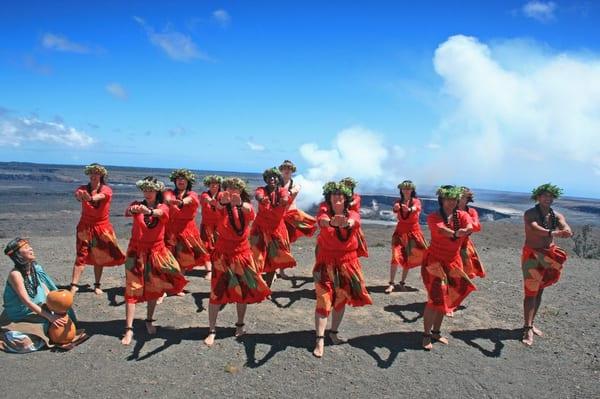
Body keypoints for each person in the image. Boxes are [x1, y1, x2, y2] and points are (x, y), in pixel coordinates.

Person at [203, 177, 271, 347]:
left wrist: (239, 204)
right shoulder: (221, 204)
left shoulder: (246, 207)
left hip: (242, 254)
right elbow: (216, 206)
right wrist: (222, 203)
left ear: (240, 191)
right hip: (221, 256)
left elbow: (249, 211)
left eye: (236, 188)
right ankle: (212, 330)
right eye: (229, 188)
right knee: (216, 292)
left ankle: (240, 325)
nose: (232, 190)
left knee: (242, 292)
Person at [121, 177, 187, 345]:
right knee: (132, 288)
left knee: (153, 288)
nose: (148, 193)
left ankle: (149, 320)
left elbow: (161, 214)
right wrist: (133, 209)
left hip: (156, 253)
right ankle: (128, 329)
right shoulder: (137, 203)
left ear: (157, 191)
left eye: (151, 190)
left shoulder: (163, 207)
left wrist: (148, 211)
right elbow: (128, 212)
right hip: (135, 252)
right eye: (145, 190)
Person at [312, 181, 372, 358]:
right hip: (326, 262)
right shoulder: (323, 212)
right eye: (334, 195)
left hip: (347, 263)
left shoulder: (353, 213)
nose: (337, 198)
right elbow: (322, 221)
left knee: (340, 299)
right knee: (323, 300)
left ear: (346, 199)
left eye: (341, 195)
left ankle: (334, 332)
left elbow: (354, 221)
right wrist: (331, 222)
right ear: (328, 198)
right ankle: (319, 339)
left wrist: (346, 223)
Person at [1, 238, 86, 352]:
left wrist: (56, 310)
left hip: (39, 310)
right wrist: (50, 317)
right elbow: (27, 302)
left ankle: (51, 336)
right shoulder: (15, 275)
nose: (31, 248)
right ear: (18, 255)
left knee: (61, 324)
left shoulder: (35, 268)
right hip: (20, 315)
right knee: (24, 342)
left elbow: (47, 291)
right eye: (26, 248)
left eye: (29, 246)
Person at [421, 185, 476, 350]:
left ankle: (436, 332)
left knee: (448, 297)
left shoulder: (463, 215)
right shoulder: (433, 216)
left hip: (453, 261)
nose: (451, 202)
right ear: (441, 200)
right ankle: (426, 335)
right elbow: (441, 230)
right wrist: (456, 233)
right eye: (447, 199)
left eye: (454, 199)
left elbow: (471, 226)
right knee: (434, 298)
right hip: (434, 263)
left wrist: (466, 230)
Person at [521, 183, 572, 346]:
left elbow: (564, 225)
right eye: (544, 196)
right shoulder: (530, 213)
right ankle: (527, 328)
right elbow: (535, 228)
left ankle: (531, 322)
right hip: (532, 255)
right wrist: (553, 233)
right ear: (538, 197)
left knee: (540, 290)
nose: (548, 199)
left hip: (548, 255)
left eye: (550, 196)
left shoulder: (556, 215)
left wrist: (566, 230)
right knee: (531, 292)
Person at [70, 163, 126, 295]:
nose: (94, 176)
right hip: (85, 226)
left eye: (96, 173)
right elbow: (78, 195)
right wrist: (80, 195)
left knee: (99, 256)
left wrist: (90, 198)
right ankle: (74, 285)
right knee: (81, 255)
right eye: (92, 173)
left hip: (102, 227)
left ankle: (97, 284)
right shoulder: (83, 188)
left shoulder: (106, 189)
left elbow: (101, 196)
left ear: (101, 175)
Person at [250, 167, 296, 287]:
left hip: (276, 229)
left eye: (274, 177)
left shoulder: (282, 191)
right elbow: (258, 195)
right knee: (256, 256)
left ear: (278, 179)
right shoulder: (261, 190)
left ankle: (267, 286)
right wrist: (262, 199)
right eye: (269, 177)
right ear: (265, 179)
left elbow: (286, 196)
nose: (272, 179)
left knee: (273, 259)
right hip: (259, 228)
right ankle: (256, 283)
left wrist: (284, 200)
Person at [164, 169, 209, 283]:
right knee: (170, 257)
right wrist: (170, 201)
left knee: (184, 257)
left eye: (183, 179)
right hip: (171, 228)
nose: (181, 181)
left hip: (187, 229)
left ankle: (178, 283)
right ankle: (173, 283)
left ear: (188, 181)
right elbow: (167, 198)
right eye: (178, 179)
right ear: (175, 181)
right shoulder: (169, 192)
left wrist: (181, 202)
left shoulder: (192, 194)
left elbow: (191, 200)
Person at [385, 180, 428, 293]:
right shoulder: (398, 201)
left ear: (412, 190)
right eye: (404, 188)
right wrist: (396, 208)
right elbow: (395, 209)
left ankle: (402, 282)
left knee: (408, 258)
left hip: (413, 233)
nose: (406, 190)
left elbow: (416, 208)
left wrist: (409, 209)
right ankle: (391, 284)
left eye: (408, 189)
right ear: (401, 190)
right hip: (399, 232)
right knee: (395, 257)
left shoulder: (416, 201)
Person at [279, 160, 317, 244]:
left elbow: (295, 190)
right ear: (281, 170)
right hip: (278, 215)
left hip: (290, 215)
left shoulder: (296, 185)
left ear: (292, 171)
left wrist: (288, 192)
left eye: (289, 168)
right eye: (285, 168)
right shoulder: (276, 184)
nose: (287, 170)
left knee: (286, 240)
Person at [199, 175, 224, 280]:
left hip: (220, 226)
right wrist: (211, 201)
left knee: (220, 248)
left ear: (219, 185)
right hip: (207, 225)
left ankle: (218, 268)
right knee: (206, 248)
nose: (213, 185)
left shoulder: (222, 195)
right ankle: (209, 270)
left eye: (216, 183)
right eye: (211, 183)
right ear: (208, 185)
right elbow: (206, 199)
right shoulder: (204, 194)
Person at [458, 187, 485, 279]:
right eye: (458, 196)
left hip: (464, 244)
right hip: (448, 244)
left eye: (462, 197)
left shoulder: (472, 212)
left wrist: (466, 222)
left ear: (467, 199)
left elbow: (477, 226)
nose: (459, 199)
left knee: (463, 274)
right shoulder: (449, 210)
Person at [340, 177, 369, 258]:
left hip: (353, 222)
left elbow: (353, 202)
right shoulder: (340, 197)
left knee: (356, 242)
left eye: (349, 185)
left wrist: (347, 204)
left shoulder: (356, 197)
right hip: (341, 220)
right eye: (345, 185)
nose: (347, 187)